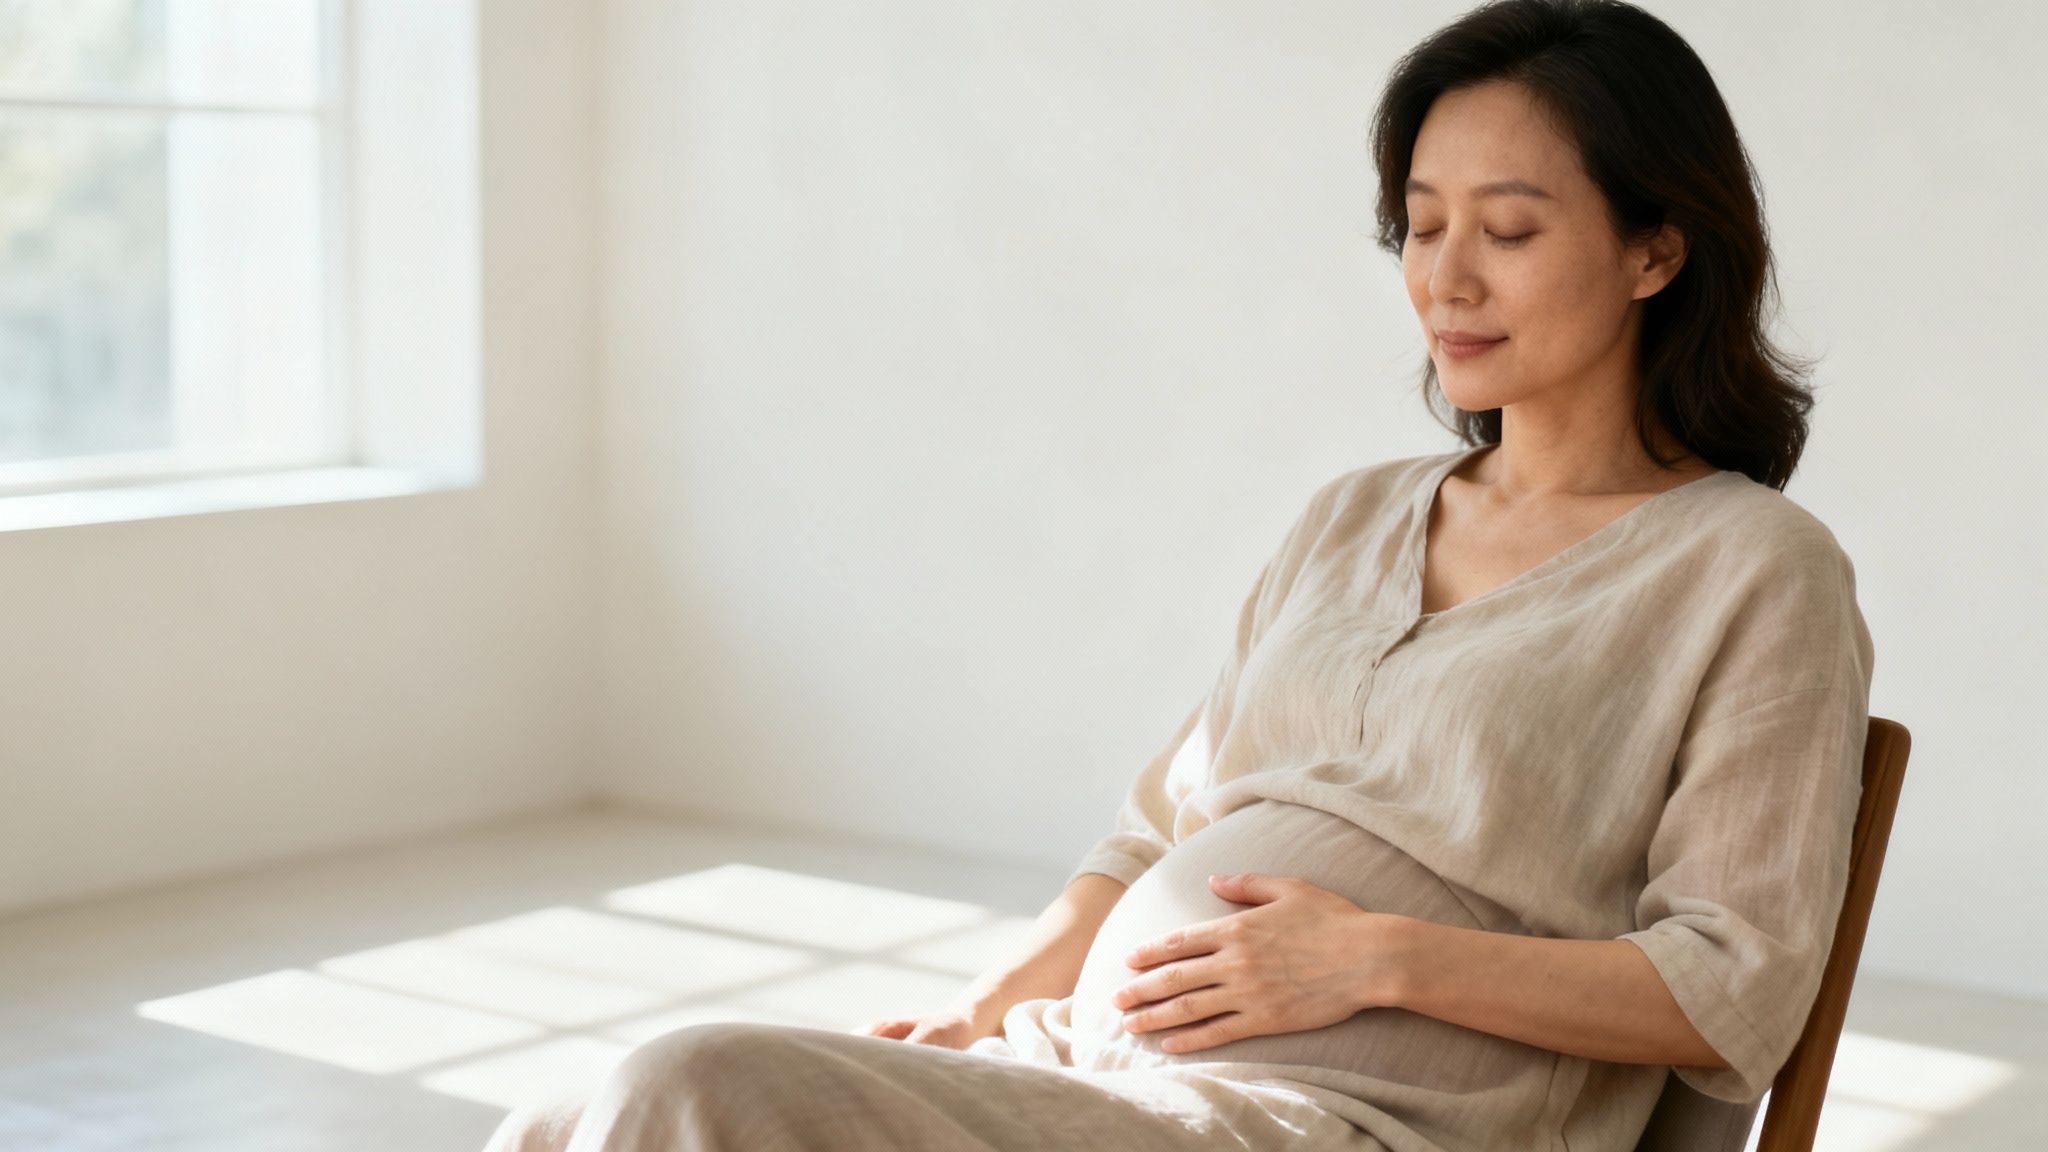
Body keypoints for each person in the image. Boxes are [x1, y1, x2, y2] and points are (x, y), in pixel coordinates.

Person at [483, 1, 1873, 1149]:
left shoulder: (1749, 568)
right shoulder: (1352, 518)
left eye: (1506, 231)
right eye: (1423, 222)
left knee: (687, 1091)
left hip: (1350, 1121)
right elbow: (1156, 834)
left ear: (1655, 248)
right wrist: (983, 1009)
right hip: (1113, 1081)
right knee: (557, 1112)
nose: (1447, 278)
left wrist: (1378, 961)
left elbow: (1734, 989)